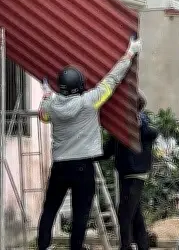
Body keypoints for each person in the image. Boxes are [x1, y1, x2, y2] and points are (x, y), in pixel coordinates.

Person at [36, 36, 142, 250]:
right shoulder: (90, 101)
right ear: (81, 85)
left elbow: (43, 116)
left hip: (60, 167)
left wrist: (47, 93)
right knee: (81, 214)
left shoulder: (52, 107)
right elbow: (112, 80)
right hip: (83, 167)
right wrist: (130, 53)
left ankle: (43, 246)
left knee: (49, 210)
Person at [102, 95, 159, 250]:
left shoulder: (144, 125)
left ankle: (125, 247)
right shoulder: (121, 126)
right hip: (127, 174)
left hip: (135, 174)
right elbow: (108, 150)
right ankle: (143, 245)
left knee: (125, 215)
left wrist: (140, 124)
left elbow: (153, 134)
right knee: (135, 215)